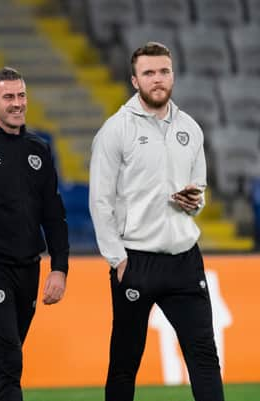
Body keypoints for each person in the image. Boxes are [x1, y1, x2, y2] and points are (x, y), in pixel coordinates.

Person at [89, 42, 224, 401]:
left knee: (205, 357)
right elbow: (99, 201)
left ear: (173, 76)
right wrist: (117, 259)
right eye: (149, 73)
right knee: (125, 361)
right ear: (135, 80)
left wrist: (194, 201)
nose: (157, 79)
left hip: (184, 259)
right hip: (137, 261)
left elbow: (200, 192)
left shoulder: (190, 128)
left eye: (163, 71)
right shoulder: (115, 130)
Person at [0, 67, 70, 401]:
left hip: (28, 266)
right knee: (8, 360)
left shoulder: (39, 149)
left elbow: (53, 213)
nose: (17, 103)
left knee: (2, 359)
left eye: (21, 96)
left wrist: (60, 267)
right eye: (9, 97)